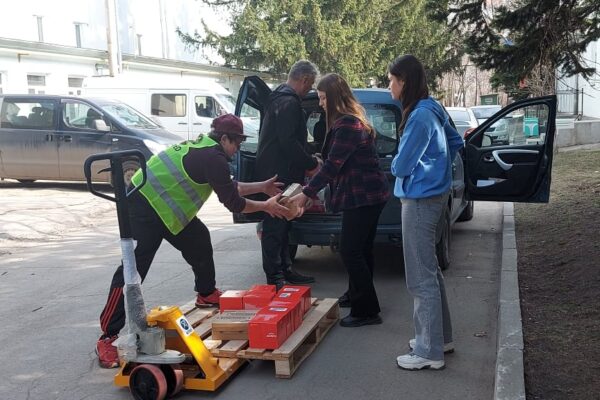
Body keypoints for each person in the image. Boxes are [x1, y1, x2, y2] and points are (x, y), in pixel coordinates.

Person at [96, 114, 289, 368]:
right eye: (237, 142)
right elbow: (233, 201)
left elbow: (229, 186)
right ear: (224, 139)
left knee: (198, 239)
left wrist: (263, 186)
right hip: (144, 207)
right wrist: (267, 206)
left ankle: (206, 293)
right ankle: (107, 337)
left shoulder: (207, 151)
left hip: (166, 209)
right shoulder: (213, 157)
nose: (238, 148)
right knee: (132, 272)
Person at [289, 73, 390, 328]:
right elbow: (338, 161)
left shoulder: (347, 125)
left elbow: (333, 166)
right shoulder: (350, 122)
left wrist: (306, 193)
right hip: (367, 195)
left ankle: (367, 310)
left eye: (323, 98)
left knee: (350, 250)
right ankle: (356, 295)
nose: (321, 103)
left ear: (334, 98)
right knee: (361, 249)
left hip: (364, 197)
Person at [388, 55, 464, 370]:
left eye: (391, 79)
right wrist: (434, 167)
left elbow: (401, 165)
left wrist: (398, 163)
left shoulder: (419, 116)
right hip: (433, 197)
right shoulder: (433, 107)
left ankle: (428, 352)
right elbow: (456, 141)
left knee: (420, 278)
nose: (389, 85)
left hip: (420, 201)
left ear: (404, 81)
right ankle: (439, 339)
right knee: (429, 272)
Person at [254, 60, 321, 289]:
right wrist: (311, 163)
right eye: (310, 84)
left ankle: (285, 269)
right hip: (278, 175)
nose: (309, 89)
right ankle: (275, 277)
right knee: (275, 225)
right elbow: (288, 142)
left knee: (284, 224)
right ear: (303, 80)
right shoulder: (288, 103)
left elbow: (291, 140)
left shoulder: (277, 99)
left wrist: (311, 154)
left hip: (277, 171)